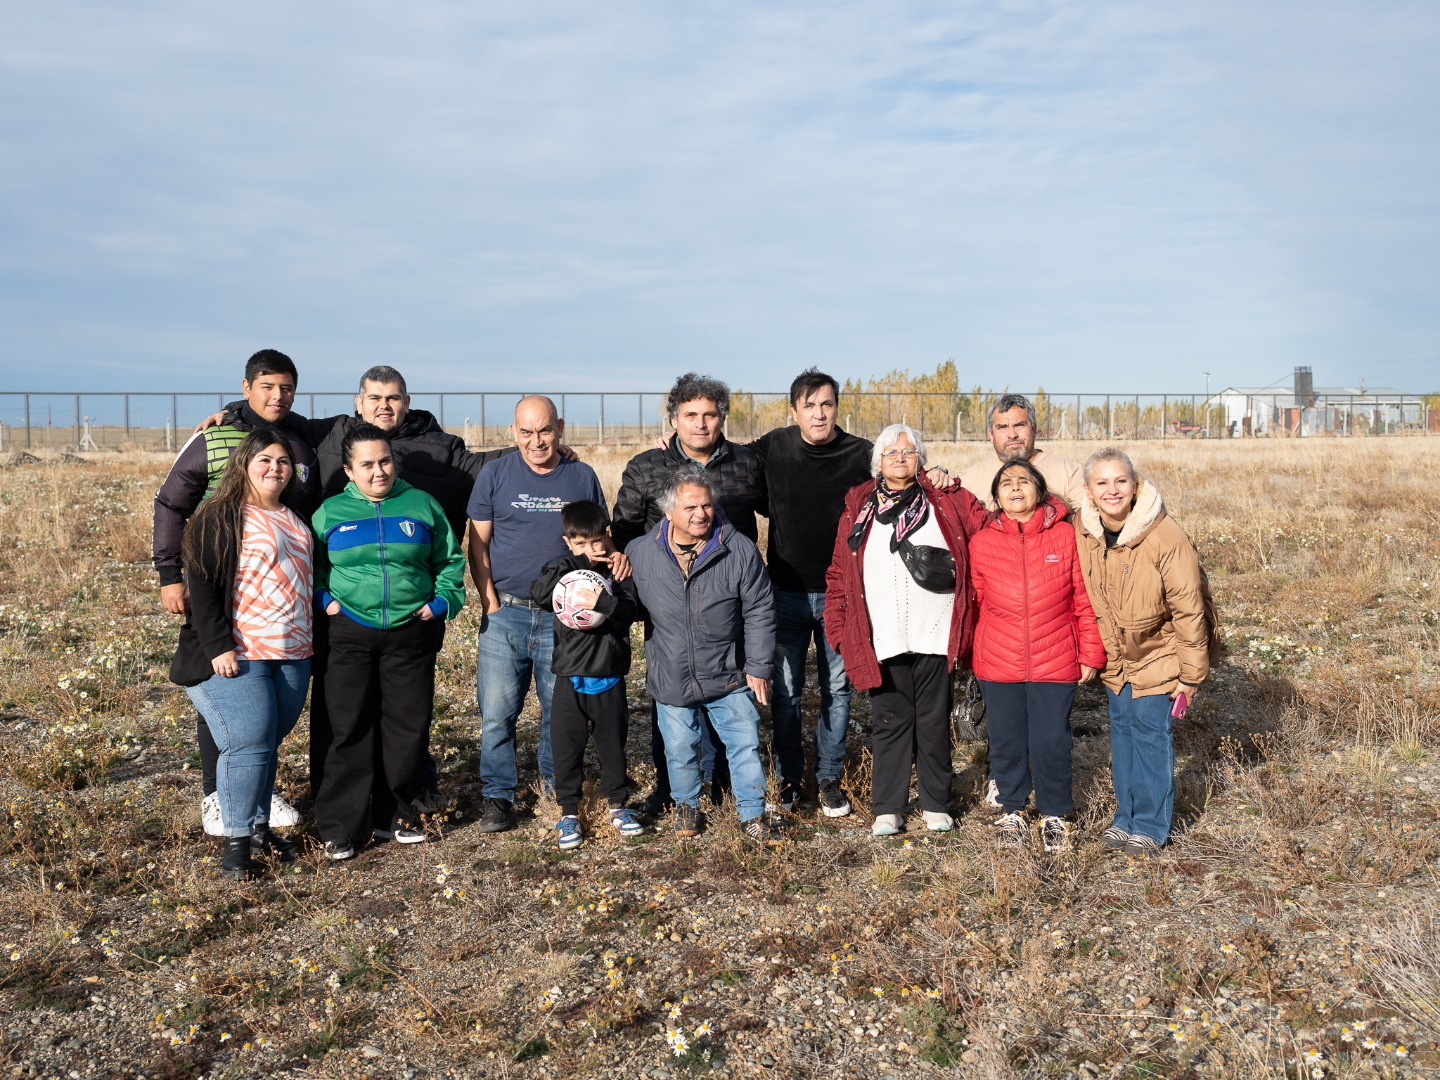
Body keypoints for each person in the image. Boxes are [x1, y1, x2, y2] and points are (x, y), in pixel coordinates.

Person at [154, 349, 320, 838]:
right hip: (219, 579)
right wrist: (169, 574)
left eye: (286, 388)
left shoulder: (301, 438)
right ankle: (216, 795)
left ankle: (253, 794)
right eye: (266, 387)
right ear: (246, 388)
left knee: (262, 707)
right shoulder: (214, 437)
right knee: (228, 688)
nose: (277, 396)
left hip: (276, 593)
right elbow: (171, 503)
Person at [611, 373, 766, 817]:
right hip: (667, 596)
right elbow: (624, 527)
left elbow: (781, 503)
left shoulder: (746, 462)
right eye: (690, 415)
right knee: (673, 706)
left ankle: (723, 789)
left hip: (726, 596)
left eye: (709, 415)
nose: (700, 423)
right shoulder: (647, 466)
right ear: (674, 419)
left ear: (722, 418)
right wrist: (633, 573)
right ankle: (674, 792)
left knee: (727, 695)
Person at [310, 424, 466, 860]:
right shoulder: (330, 513)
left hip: (410, 630)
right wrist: (324, 600)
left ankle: (397, 815)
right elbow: (312, 567)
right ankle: (341, 826)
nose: (379, 471)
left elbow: (450, 560)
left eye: (385, 461)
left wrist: (441, 603)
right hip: (348, 632)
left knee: (406, 724)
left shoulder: (422, 505)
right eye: (367, 465)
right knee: (347, 726)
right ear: (348, 471)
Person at [824, 423, 987, 836]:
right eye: (891, 452)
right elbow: (840, 572)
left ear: (922, 460)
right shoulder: (859, 507)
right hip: (882, 633)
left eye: (909, 452)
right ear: (877, 462)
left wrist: (953, 482)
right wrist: (839, 630)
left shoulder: (944, 498)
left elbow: (984, 529)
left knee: (934, 720)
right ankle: (889, 808)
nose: (899, 458)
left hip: (935, 629)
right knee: (889, 720)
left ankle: (936, 803)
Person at [168, 427, 313, 881]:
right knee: (247, 740)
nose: (275, 468)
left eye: (283, 461)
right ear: (244, 464)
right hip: (239, 652)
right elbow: (203, 587)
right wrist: (219, 647)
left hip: (292, 651)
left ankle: (259, 831)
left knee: (266, 741)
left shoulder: (295, 516)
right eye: (264, 460)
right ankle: (236, 843)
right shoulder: (221, 516)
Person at [466, 396, 609, 834]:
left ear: (560, 428)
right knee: (497, 712)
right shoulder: (495, 475)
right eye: (526, 432)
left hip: (561, 618)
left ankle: (554, 791)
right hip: (506, 613)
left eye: (545, 430)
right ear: (513, 432)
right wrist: (489, 601)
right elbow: (478, 543)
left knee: (558, 712)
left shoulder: (581, 476)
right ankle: (498, 795)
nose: (536, 441)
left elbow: (600, 539)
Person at [625, 464, 781, 845]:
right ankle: (686, 806)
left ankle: (753, 814)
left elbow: (760, 608)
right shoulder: (640, 553)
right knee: (679, 748)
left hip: (728, 673)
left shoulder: (738, 549)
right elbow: (627, 606)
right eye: (691, 507)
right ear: (668, 511)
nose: (701, 514)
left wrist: (758, 666)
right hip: (672, 674)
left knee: (744, 742)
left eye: (707, 505)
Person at [1075, 448, 1214, 856]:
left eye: (1121, 480)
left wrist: (1191, 675)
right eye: (1102, 482)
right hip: (1116, 658)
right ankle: (1127, 816)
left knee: (1151, 734)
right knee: (1123, 734)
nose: (1112, 490)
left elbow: (1189, 609)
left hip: (1160, 653)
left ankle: (1152, 824)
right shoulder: (1083, 530)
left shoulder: (1165, 535)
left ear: (1135, 486)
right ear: (1088, 490)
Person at [968, 458, 1106, 852]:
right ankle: (1013, 809)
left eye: (1024, 481)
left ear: (1040, 491)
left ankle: (1055, 814)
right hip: (999, 660)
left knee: (1051, 740)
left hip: (1055, 657)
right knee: (1006, 741)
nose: (1015, 488)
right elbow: (975, 603)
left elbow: (1083, 599)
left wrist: (1090, 653)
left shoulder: (1065, 537)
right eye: (1006, 483)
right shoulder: (982, 543)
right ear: (996, 497)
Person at [751, 368, 873, 817]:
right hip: (785, 593)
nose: (819, 413)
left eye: (827, 404)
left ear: (837, 408)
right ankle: (788, 777)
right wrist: (672, 447)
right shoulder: (774, 447)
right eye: (809, 406)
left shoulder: (862, 454)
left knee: (837, 689)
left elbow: (903, 472)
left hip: (842, 595)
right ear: (794, 411)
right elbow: (722, 458)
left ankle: (828, 778)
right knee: (785, 692)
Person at [530, 501, 643, 850]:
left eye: (596, 541)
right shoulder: (563, 568)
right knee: (566, 746)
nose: (590, 549)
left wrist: (603, 602)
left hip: (608, 673)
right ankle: (568, 813)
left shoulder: (619, 571)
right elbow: (540, 594)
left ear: (606, 536)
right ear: (568, 543)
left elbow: (630, 613)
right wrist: (580, 564)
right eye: (580, 544)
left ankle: (619, 805)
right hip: (570, 676)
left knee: (612, 745)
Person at [958, 394, 1085, 512]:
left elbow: (1087, 517)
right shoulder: (967, 480)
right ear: (991, 435)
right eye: (1003, 427)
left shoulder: (1068, 471)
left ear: (1034, 430)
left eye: (1020, 425)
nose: (1012, 434)